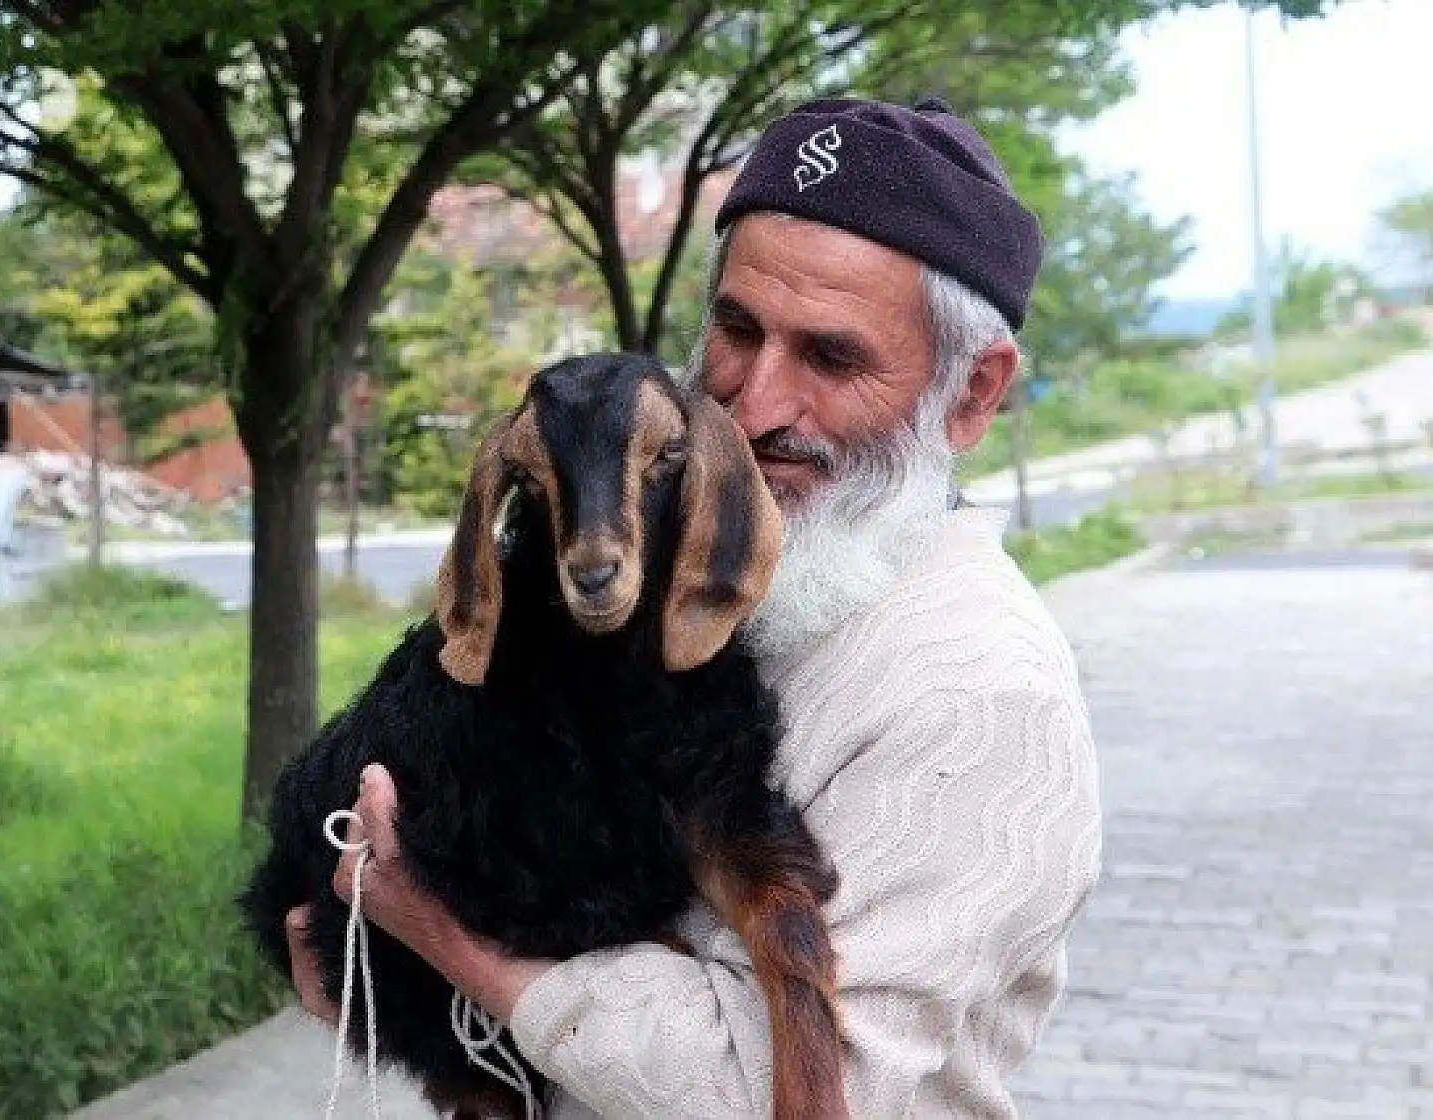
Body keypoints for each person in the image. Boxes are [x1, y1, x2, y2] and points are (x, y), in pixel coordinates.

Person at [287, 96, 1102, 1118]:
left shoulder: (979, 695)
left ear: (971, 393)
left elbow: (780, 1094)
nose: (754, 405)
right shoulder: (692, 598)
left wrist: (442, 933)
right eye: (735, 328)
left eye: (831, 357)